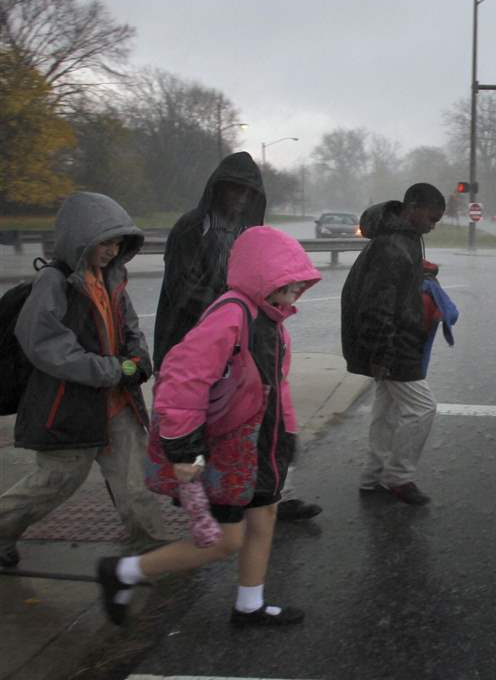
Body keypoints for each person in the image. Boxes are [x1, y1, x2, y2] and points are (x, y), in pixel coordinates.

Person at [96, 226, 321, 627]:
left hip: (259, 447)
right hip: (226, 449)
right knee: (222, 541)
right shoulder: (232, 315)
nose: (292, 297)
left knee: (264, 515)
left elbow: (276, 385)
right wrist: (182, 450)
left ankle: (249, 605)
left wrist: (286, 433)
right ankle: (123, 572)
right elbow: (184, 380)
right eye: (287, 287)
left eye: (297, 288)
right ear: (261, 276)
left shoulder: (272, 321)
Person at [0, 193, 169, 568]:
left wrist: (139, 358)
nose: (111, 251)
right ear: (80, 239)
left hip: (117, 402)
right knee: (56, 481)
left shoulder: (112, 276)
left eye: (117, 243)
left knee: (133, 480)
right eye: (104, 242)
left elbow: (128, 326)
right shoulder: (54, 281)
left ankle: (153, 548)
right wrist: (108, 369)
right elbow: (43, 344)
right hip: (68, 406)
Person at [153, 152, 320, 522]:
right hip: (197, 340)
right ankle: (212, 505)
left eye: (248, 192)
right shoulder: (193, 228)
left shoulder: (244, 232)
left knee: (258, 422)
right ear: (217, 188)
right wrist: (235, 310)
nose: (240, 199)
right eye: (233, 190)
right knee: (209, 427)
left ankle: (269, 497)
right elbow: (184, 290)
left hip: (240, 340)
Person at [341, 183, 446, 506]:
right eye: (432, 217)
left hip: (392, 338)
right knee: (422, 407)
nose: (434, 225)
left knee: (386, 410)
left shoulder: (401, 240)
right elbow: (377, 306)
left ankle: (373, 476)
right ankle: (398, 477)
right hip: (392, 341)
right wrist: (381, 353)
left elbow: (390, 294)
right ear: (412, 207)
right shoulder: (393, 247)